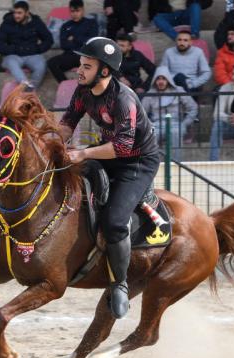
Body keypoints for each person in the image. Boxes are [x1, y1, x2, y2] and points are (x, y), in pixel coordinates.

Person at [59, 37, 161, 319]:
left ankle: (120, 283)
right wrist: (53, 143)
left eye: (86, 66)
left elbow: (123, 147)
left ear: (104, 71)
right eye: (80, 64)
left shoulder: (124, 99)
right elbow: (68, 121)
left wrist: (82, 154)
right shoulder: (82, 91)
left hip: (137, 163)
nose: (79, 70)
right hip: (108, 153)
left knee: (115, 222)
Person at [0, 1, 53, 89]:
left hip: (32, 55)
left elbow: (48, 40)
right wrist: (14, 49)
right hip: (14, 56)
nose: (16, 15)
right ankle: (27, 89)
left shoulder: (36, 22)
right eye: (15, 12)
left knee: (42, 65)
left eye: (19, 13)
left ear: (27, 13)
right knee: (11, 62)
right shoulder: (7, 23)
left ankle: (28, 92)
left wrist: (37, 49)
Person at [142, 65, 197, 160]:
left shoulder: (178, 91)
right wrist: (149, 125)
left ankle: (177, 163)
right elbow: (141, 113)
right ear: (155, 80)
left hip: (175, 124)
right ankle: (153, 165)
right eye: (158, 79)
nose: (161, 81)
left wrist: (184, 124)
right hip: (157, 124)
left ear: (168, 80)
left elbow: (193, 108)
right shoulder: (150, 94)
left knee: (176, 132)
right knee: (151, 135)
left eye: (164, 78)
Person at [46, 0, 98, 83]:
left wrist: (74, 38)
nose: (75, 14)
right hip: (70, 55)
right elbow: (63, 45)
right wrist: (82, 40)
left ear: (83, 10)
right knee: (51, 63)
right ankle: (65, 85)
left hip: (86, 55)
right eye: (72, 11)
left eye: (77, 11)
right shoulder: (66, 25)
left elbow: (92, 42)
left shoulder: (91, 23)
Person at [159, 29, 211, 94]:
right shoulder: (168, 52)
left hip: (192, 87)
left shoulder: (198, 52)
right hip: (174, 85)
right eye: (179, 40)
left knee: (181, 79)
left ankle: (187, 99)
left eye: (185, 40)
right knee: (179, 77)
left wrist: (193, 84)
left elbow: (206, 73)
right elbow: (162, 72)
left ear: (191, 42)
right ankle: (189, 101)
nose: (182, 43)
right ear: (176, 41)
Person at [115, 31, 155, 96]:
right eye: (117, 45)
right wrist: (119, 77)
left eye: (122, 46)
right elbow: (106, 69)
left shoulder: (137, 55)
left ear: (130, 46)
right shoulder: (112, 55)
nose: (119, 48)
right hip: (117, 88)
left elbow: (153, 70)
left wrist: (144, 87)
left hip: (135, 87)